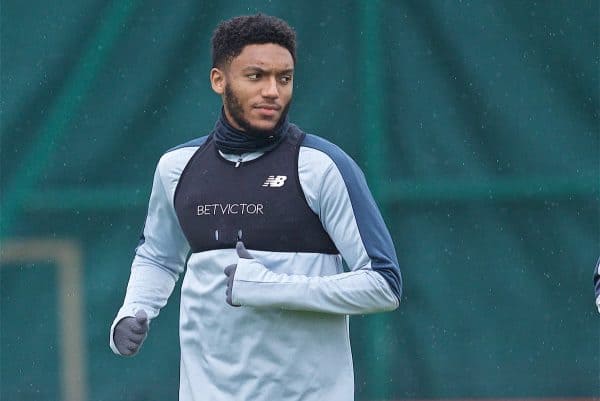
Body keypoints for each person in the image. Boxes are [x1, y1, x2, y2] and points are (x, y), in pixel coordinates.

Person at [110, 13, 402, 401]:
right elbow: (158, 257)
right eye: (256, 76)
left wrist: (271, 287)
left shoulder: (321, 167)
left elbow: (383, 285)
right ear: (219, 80)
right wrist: (132, 309)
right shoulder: (176, 168)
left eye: (284, 78)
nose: (273, 91)